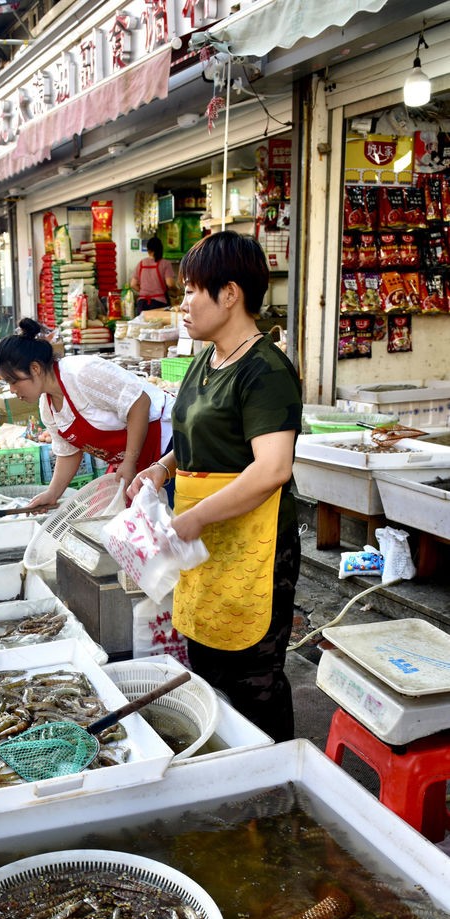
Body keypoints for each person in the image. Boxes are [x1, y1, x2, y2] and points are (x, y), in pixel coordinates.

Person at [127, 231, 302, 743]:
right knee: (207, 659)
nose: (181, 305)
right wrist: (161, 469)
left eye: (191, 291)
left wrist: (195, 517)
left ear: (230, 294)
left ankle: (273, 780)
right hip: (205, 541)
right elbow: (198, 435)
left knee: (254, 678)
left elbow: (272, 469)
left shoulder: (265, 370)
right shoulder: (207, 359)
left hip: (256, 546)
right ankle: (227, 762)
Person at [0, 318, 172, 509]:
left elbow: (139, 403)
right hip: (133, 458)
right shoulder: (47, 408)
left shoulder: (81, 373)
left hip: (166, 440)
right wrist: (52, 494)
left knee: (163, 519)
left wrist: (129, 461)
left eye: (13, 381)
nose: (12, 389)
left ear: (35, 368)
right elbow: (68, 453)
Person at [130, 236, 176, 312]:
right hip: (159, 304)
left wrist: (145, 291)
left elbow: (133, 284)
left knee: (141, 324)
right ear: (161, 250)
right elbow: (170, 284)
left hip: (142, 304)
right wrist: (177, 291)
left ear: (148, 250)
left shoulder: (141, 264)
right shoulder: (165, 263)